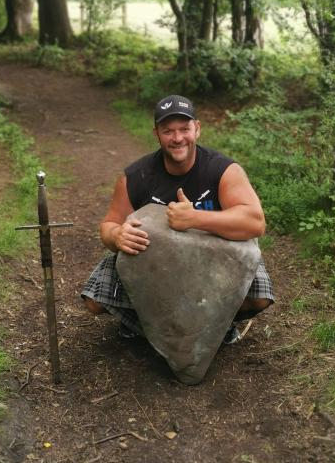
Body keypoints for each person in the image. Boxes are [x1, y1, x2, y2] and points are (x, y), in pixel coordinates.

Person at [81, 94, 274, 343]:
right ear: (156, 134)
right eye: (168, 131)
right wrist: (117, 235)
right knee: (95, 301)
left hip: (214, 264)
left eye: (184, 128)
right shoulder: (135, 176)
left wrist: (195, 218)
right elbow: (108, 226)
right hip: (153, 267)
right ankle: (144, 323)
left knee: (259, 296)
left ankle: (218, 323)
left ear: (197, 129)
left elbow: (255, 223)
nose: (178, 138)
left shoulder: (223, 170)